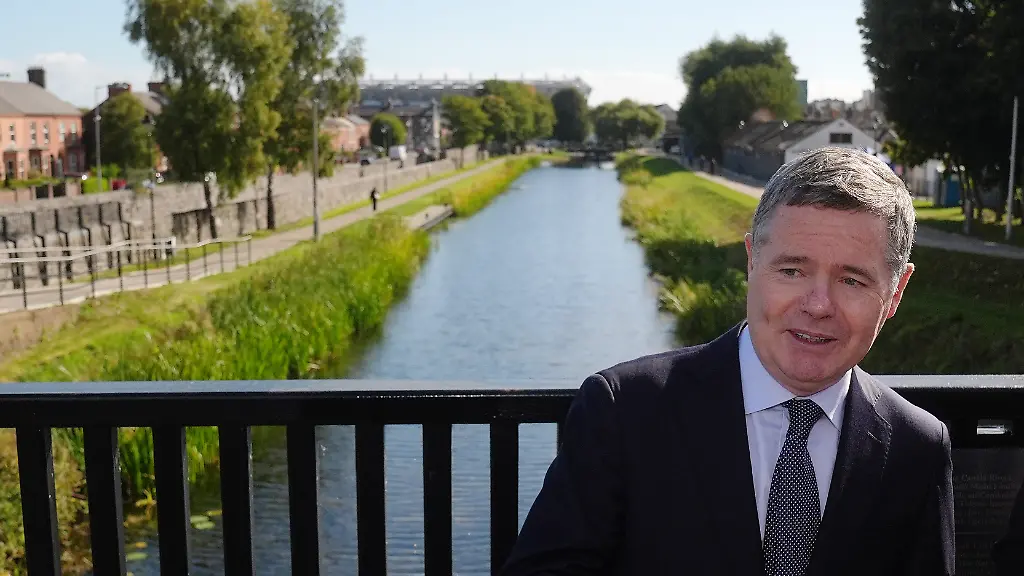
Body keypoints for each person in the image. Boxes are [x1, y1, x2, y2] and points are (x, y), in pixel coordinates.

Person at [499, 147, 955, 576]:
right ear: (752, 262)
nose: (818, 305)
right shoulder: (623, 411)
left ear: (896, 292)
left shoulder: (917, 447)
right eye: (792, 270)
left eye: (852, 281)